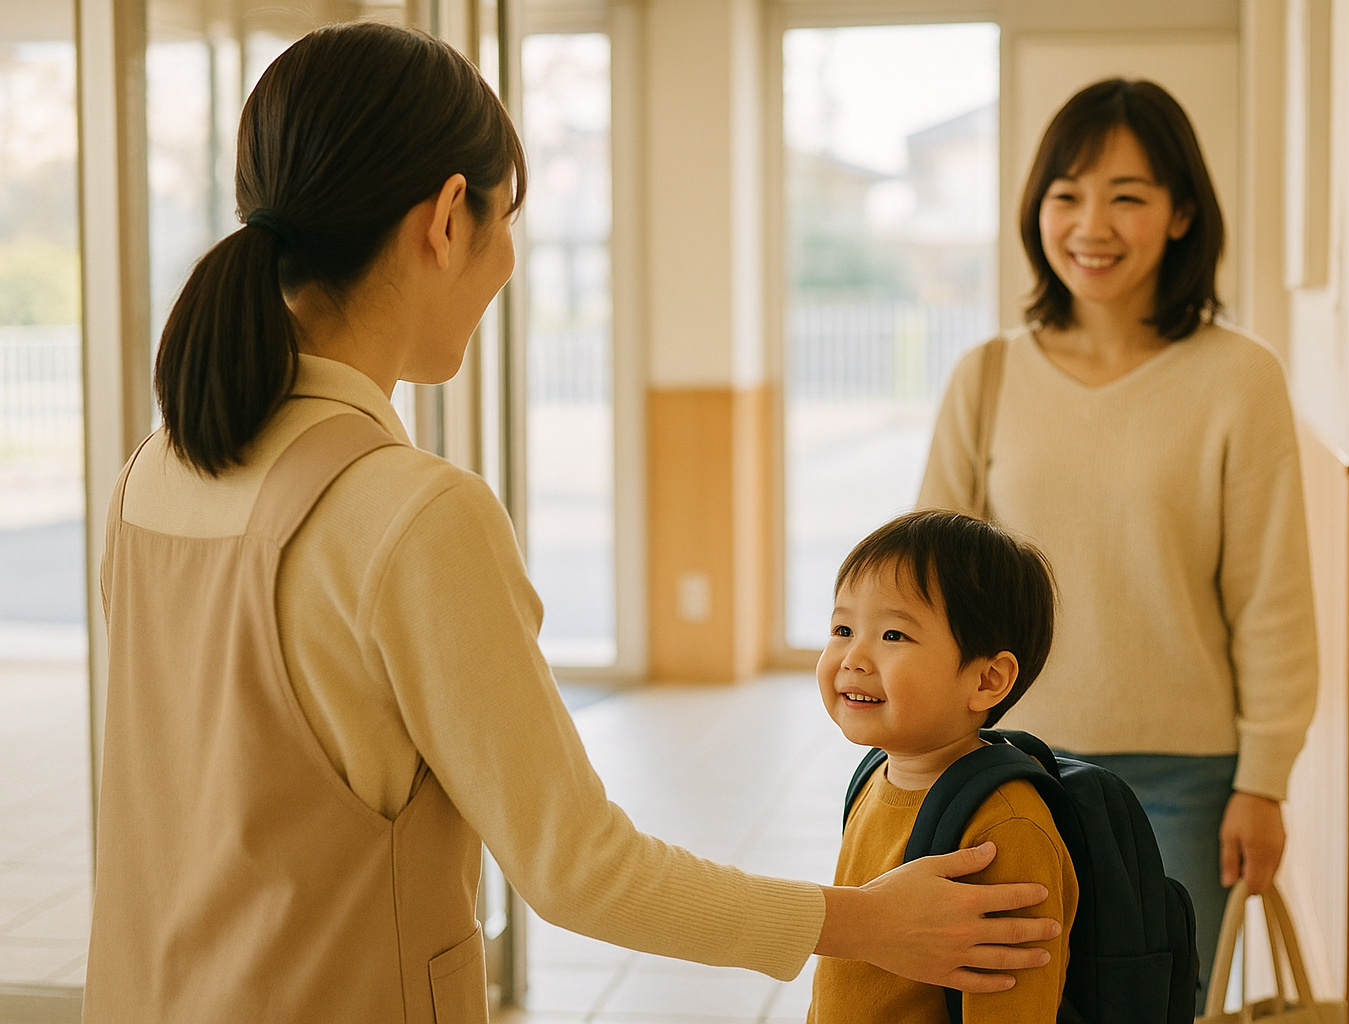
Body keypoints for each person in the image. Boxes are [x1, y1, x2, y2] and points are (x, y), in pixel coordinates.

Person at [81, 22, 1063, 1023]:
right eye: (509, 219)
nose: (507, 259)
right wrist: (861, 921)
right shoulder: (411, 513)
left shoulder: (148, 477)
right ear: (448, 218)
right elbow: (578, 865)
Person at [918, 78, 1318, 1011]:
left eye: (1127, 196)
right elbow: (928, 593)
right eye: (1067, 194)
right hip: (1002, 761)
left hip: (1184, 783)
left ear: (1181, 214)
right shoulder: (986, 375)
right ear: (1037, 211)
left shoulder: (1239, 379)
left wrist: (1265, 781)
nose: (1091, 224)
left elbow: (1271, 598)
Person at [808, 510, 1076, 1023]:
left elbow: (1012, 1009)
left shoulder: (1006, 827)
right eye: (843, 628)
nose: (853, 658)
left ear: (987, 680)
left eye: (893, 636)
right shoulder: (875, 776)